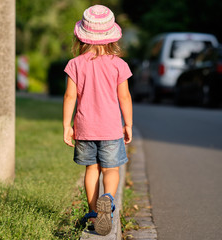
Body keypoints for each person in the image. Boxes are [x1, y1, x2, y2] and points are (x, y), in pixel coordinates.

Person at [63, 5, 133, 236]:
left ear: (81, 37)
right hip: (111, 128)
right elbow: (124, 97)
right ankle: (108, 200)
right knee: (111, 170)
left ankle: (94, 214)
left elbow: (70, 96)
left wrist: (66, 126)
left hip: (85, 128)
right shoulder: (118, 65)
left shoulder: (75, 64)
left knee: (91, 169)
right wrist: (128, 124)